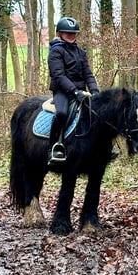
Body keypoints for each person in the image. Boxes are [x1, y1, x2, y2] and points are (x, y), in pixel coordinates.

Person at [47, 16, 100, 165]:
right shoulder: (56, 52)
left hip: (82, 92)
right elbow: (59, 75)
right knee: (62, 113)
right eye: (67, 33)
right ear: (60, 33)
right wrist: (75, 92)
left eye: (73, 33)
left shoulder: (81, 53)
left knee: (99, 113)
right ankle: (53, 147)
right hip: (63, 92)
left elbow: (88, 74)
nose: (71, 36)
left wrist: (95, 91)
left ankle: (98, 149)